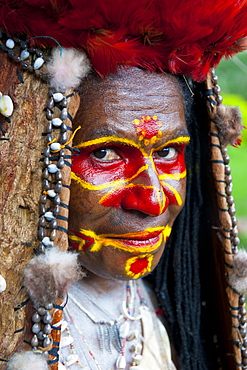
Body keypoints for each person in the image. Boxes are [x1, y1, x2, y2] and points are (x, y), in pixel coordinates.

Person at [0, 1, 247, 369]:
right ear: (30, 157)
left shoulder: (185, 315)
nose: (152, 200)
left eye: (167, 152)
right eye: (104, 155)